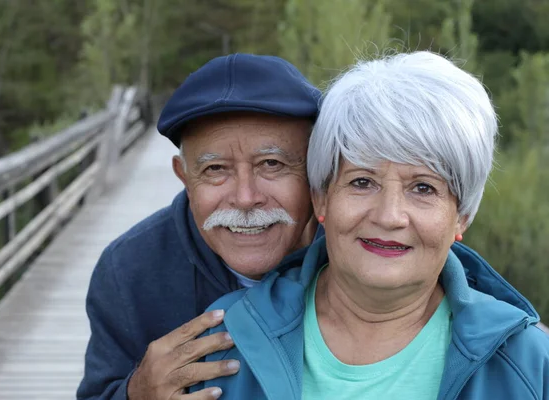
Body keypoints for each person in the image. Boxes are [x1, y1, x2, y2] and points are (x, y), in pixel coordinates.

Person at [192, 51, 549, 399]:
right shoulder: (223, 340)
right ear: (322, 199)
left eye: (423, 188)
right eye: (362, 182)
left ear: (462, 216)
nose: (389, 216)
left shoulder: (530, 363)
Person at [76, 53, 323, 400]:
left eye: (272, 163)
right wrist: (135, 393)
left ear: (315, 169)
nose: (245, 197)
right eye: (215, 169)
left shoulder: (356, 252)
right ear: (184, 177)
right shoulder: (129, 271)